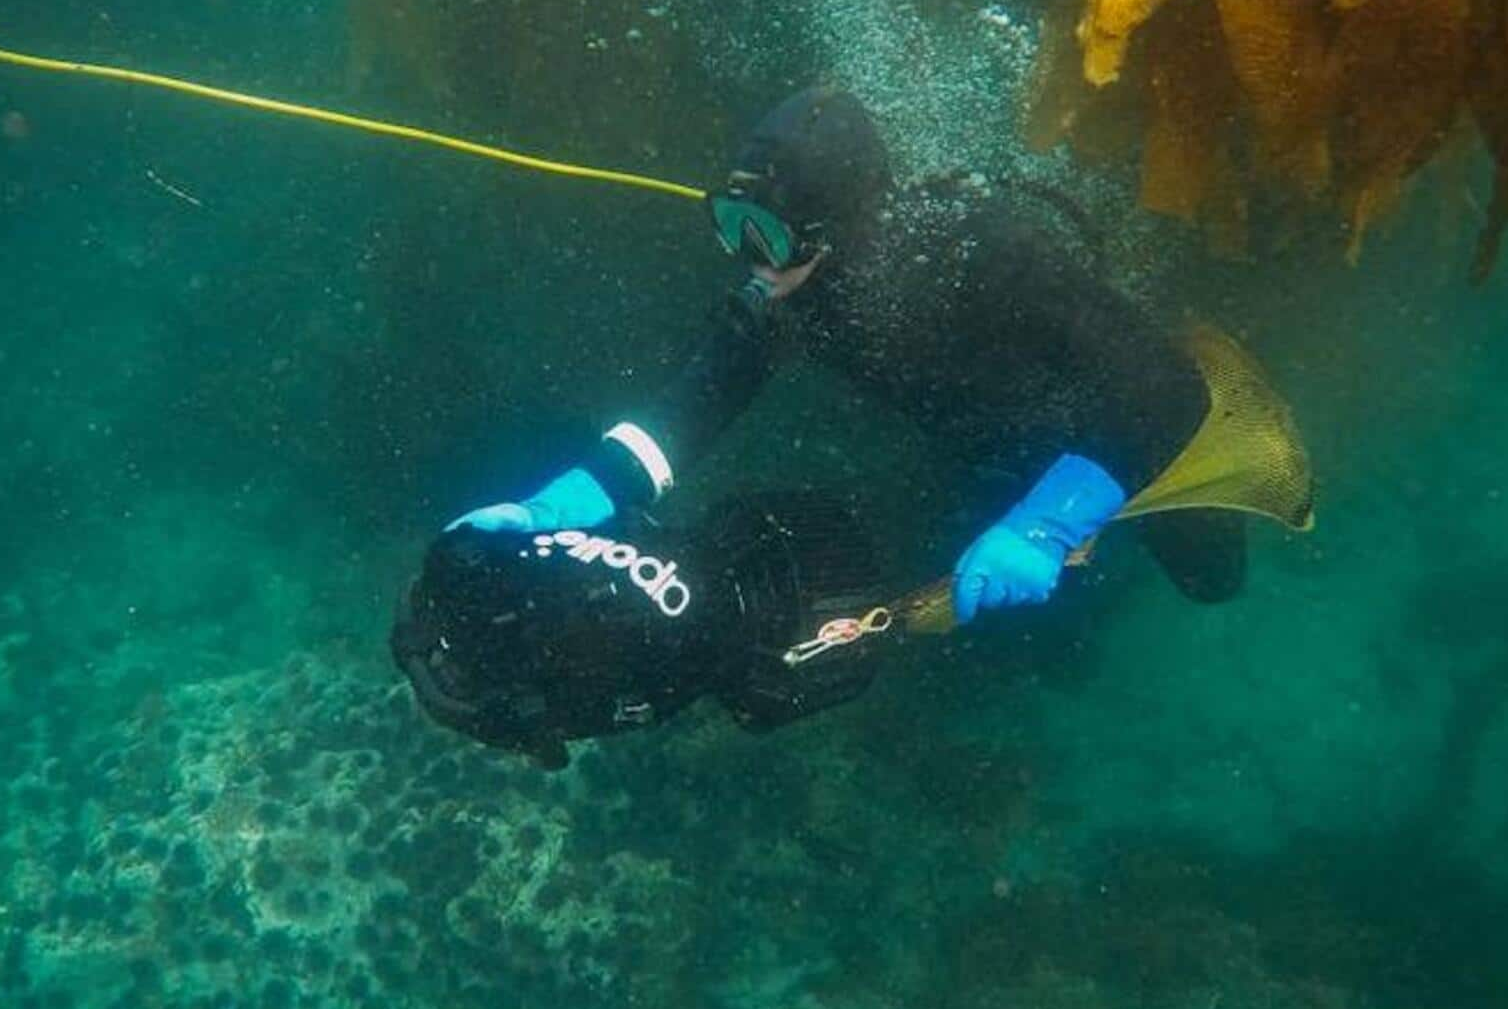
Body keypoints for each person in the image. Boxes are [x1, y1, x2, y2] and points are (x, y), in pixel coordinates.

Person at [447, 86, 1247, 622]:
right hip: (980, 451)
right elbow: (700, 400)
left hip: (1109, 432)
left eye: (768, 236)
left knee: (1213, 580)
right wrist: (576, 497)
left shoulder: (987, 254)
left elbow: (1164, 390)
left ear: (834, 231)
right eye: (731, 223)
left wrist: (1049, 521)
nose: (750, 261)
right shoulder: (793, 293)